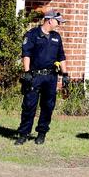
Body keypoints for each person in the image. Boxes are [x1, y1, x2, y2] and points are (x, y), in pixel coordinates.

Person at [15, 10, 70, 145]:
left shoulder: (56, 37)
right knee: (29, 106)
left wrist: (65, 75)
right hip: (35, 76)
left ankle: (41, 133)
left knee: (48, 106)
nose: (59, 24)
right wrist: (27, 72)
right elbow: (26, 54)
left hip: (51, 77)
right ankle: (23, 134)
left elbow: (61, 56)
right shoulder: (32, 34)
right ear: (50, 20)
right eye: (58, 22)